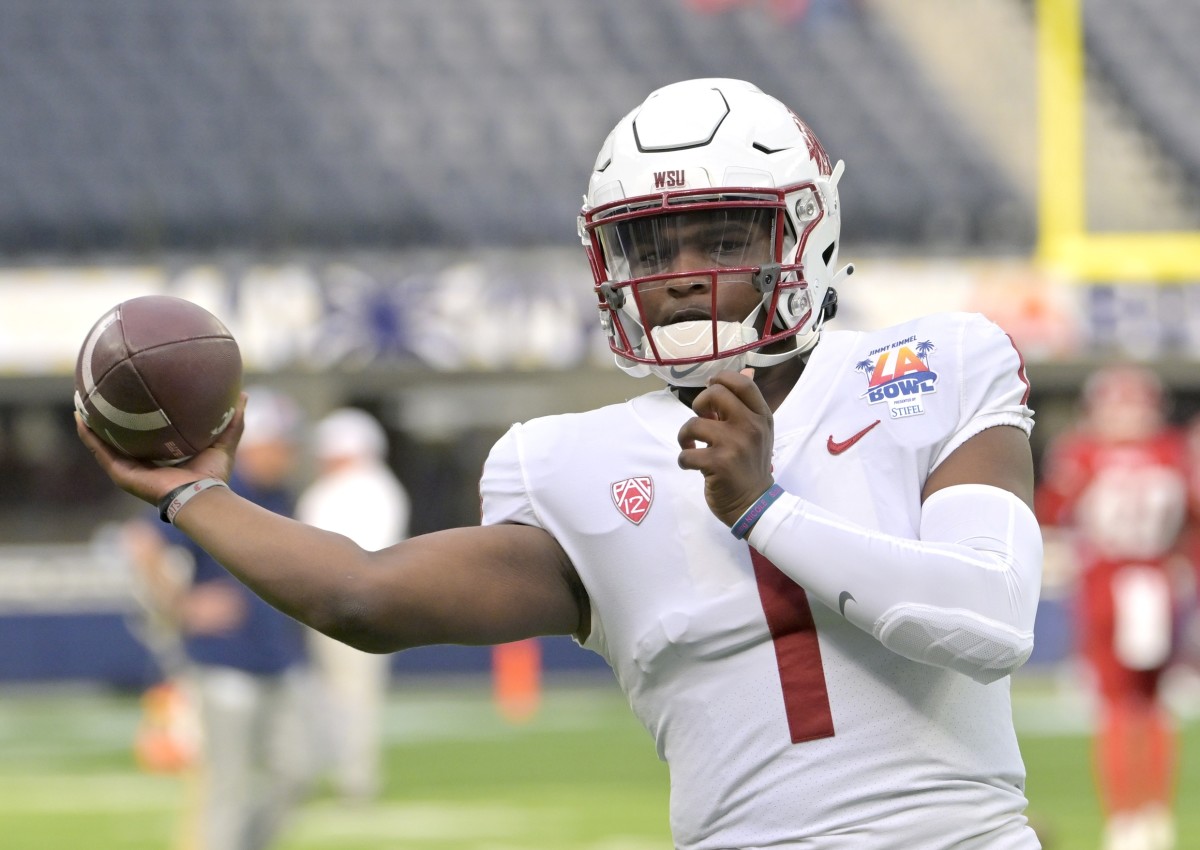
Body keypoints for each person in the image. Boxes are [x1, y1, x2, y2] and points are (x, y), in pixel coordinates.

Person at [79, 79, 1043, 849]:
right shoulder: (571, 463)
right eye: (649, 246)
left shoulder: (930, 366)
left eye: (722, 236)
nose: (680, 275)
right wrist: (194, 492)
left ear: (807, 232)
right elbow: (364, 597)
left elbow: (986, 618)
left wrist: (763, 507)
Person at [123, 387, 314, 850]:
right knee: (227, 787)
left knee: (295, 773)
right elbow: (143, 543)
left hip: (276, 657)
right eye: (282, 443)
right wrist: (181, 607)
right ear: (258, 441)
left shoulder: (279, 493)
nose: (287, 454)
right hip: (225, 660)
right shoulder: (219, 490)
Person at [1037, 365, 1186, 850]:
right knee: (1156, 707)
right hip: (1160, 583)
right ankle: (1156, 816)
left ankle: (1125, 821)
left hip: (1107, 585)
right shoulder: (1172, 452)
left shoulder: (1083, 452)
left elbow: (1051, 510)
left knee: (1116, 709)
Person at [295, 407, 410, 803]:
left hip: (351, 606)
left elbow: (361, 555)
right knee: (326, 695)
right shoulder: (342, 489)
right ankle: (329, 771)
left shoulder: (369, 489)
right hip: (324, 604)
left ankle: (355, 778)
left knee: (351, 694)